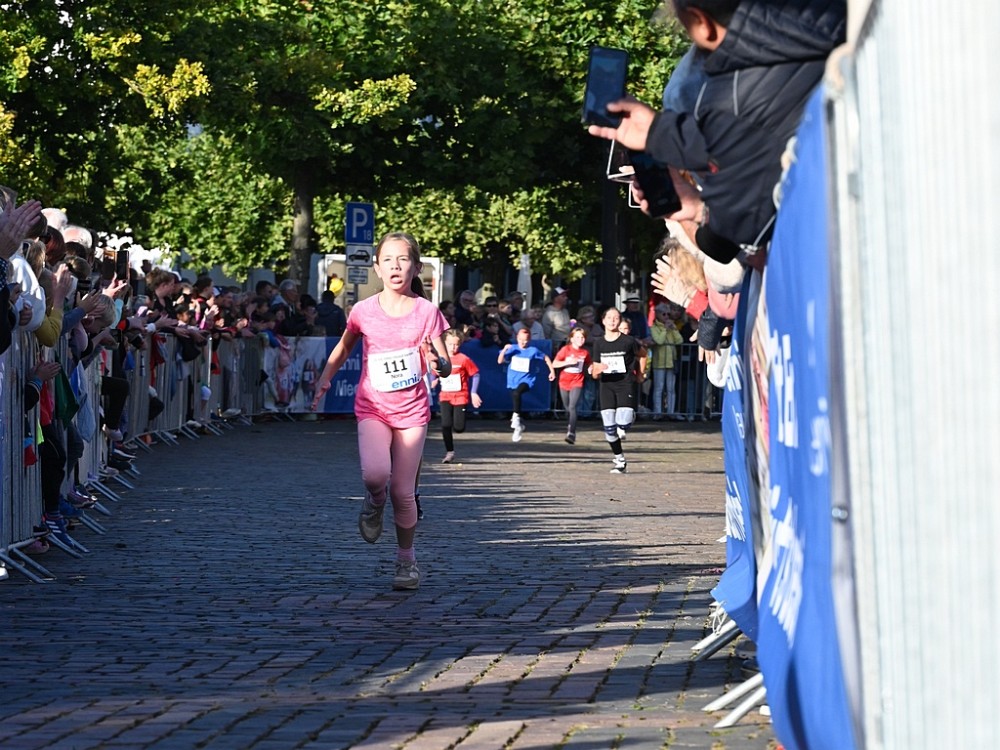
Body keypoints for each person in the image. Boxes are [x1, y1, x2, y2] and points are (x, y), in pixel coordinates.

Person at [587, 0, 846, 263]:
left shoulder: (729, 102)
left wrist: (696, 207)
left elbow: (727, 238)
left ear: (702, 23)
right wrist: (662, 133)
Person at [311, 232, 450, 591]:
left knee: (403, 492)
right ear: (377, 267)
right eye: (388, 259)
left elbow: (445, 363)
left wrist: (437, 362)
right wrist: (325, 379)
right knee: (376, 475)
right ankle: (374, 501)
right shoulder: (363, 311)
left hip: (412, 412)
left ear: (416, 267)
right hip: (373, 406)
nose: (395, 266)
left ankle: (406, 561)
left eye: (403, 259)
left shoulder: (427, 312)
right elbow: (344, 347)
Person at [591, 306, 641, 473]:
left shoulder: (628, 341)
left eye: (616, 318)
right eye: (609, 318)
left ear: (620, 321)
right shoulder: (599, 343)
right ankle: (620, 460)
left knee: (623, 422)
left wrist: (641, 374)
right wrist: (596, 370)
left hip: (624, 383)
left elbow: (643, 354)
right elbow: (595, 372)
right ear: (603, 321)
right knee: (609, 429)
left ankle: (630, 418)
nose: (612, 321)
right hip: (606, 385)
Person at [497, 326, 555, 443]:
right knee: (515, 395)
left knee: (517, 393)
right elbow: (500, 361)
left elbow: (546, 358)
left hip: (527, 380)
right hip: (513, 380)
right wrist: (504, 350)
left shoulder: (533, 350)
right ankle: (518, 427)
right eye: (521, 340)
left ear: (529, 339)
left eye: (526, 340)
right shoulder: (513, 349)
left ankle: (516, 417)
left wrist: (552, 371)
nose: (523, 343)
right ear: (517, 338)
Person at [433, 328, 483, 463]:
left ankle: (459, 426)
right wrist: (434, 380)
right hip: (445, 396)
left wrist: (473, 392)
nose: (453, 347)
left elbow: (475, 374)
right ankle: (449, 452)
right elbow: (434, 373)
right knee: (445, 424)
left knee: (459, 427)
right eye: (450, 344)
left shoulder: (464, 359)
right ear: (444, 343)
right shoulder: (441, 358)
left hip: (461, 396)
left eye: (456, 345)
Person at [552, 326, 592, 444]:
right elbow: (554, 363)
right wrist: (567, 362)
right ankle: (570, 424)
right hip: (564, 381)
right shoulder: (565, 350)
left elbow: (589, 363)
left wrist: (590, 368)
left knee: (573, 406)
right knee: (567, 408)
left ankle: (572, 433)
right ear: (572, 339)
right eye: (578, 337)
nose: (580, 340)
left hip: (577, 381)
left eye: (582, 337)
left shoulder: (584, 352)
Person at [649, 302, 684, 419]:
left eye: (668, 314)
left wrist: (674, 330)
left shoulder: (671, 327)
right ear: (658, 314)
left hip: (671, 362)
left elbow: (679, 341)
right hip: (659, 362)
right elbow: (659, 341)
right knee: (659, 388)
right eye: (664, 314)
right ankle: (657, 412)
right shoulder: (654, 328)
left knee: (671, 389)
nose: (667, 317)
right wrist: (665, 329)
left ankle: (671, 412)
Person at [541, 286, 572, 351]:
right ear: (556, 299)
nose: (566, 298)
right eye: (563, 296)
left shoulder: (565, 311)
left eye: (566, 296)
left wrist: (572, 324)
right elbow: (546, 334)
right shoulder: (549, 314)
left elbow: (569, 327)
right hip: (557, 347)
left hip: (568, 344)